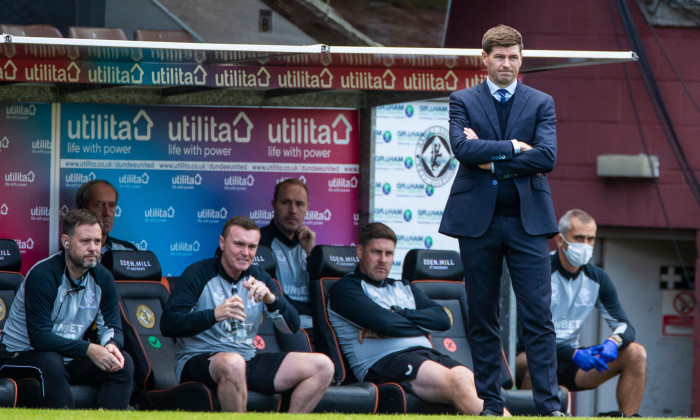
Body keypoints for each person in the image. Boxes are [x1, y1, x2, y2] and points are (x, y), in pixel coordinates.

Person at [438, 24, 562, 416]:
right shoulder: (462, 99)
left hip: (530, 223)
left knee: (538, 317)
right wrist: (511, 147)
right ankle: (491, 403)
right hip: (478, 222)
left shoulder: (542, 101)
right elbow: (460, 148)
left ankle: (548, 407)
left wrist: (489, 159)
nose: (506, 63)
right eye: (499, 56)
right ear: (485, 59)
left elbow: (547, 157)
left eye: (513, 56)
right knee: (483, 315)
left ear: (521, 58)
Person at [328, 223, 508, 416]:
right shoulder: (345, 289)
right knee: (458, 383)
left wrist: (398, 313)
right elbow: (385, 323)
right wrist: (420, 326)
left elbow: (443, 319)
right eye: (376, 252)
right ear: (360, 251)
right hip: (385, 362)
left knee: (475, 384)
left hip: (427, 355)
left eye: (389, 254)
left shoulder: (405, 287)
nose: (383, 260)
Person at [160, 215, 333, 413]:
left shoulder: (259, 276)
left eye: (252, 247)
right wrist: (215, 314)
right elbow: (168, 324)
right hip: (200, 360)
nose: (245, 253)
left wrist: (272, 301)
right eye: (239, 244)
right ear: (222, 243)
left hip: (246, 359)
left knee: (323, 366)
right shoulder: (199, 273)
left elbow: (292, 326)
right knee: (233, 363)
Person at [516, 209, 647, 417]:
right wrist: (572, 354)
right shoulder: (538, 270)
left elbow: (625, 325)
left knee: (636, 353)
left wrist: (614, 341)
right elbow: (526, 334)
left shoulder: (598, 279)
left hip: (575, 361)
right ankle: (524, 415)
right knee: (535, 361)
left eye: (590, 239)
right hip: (531, 356)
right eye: (578, 238)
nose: (585, 245)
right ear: (560, 240)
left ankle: (628, 417)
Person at [0, 209, 133, 409]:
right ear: (66, 242)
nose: (93, 248)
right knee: (51, 361)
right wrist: (88, 349)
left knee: (122, 364)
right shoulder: (43, 275)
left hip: (69, 357)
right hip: (19, 354)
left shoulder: (103, 278)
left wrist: (111, 344)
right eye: (85, 241)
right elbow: (40, 338)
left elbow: (111, 326)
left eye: (97, 242)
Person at [260, 178, 316, 330]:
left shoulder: (310, 246)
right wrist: (313, 311)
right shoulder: (259, 243)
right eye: (286, 202)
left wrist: (312, 254)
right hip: (281, 326)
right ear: (273, 205)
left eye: (299, 204)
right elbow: (272, 298)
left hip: (315, 326)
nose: (293, 210)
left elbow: (323, 295)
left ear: (307, 208)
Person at [76, 179, 137, 254]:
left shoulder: (128, 251)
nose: (107, 213)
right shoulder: (71, 252)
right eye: (99, 205)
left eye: (111, 205)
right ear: (82, 209)